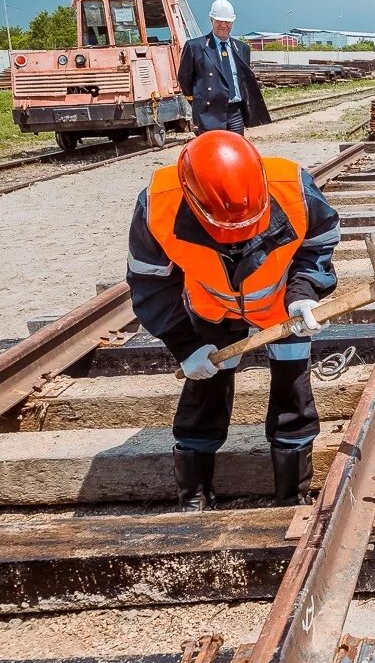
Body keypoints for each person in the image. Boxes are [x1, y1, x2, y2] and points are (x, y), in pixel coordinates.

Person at [125, 131, 340, 511]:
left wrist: (304, 290)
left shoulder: (293, 188)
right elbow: (151, 283)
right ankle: (194, 498)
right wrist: (185, 346)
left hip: (283, 310)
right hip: (213, 309)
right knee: (205, 389)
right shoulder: (157, 204)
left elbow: (319, 241)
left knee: (293, 391)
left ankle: (291, 498)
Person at [178, 0, 270, 135]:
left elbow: (243, 79)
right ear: (211, 20)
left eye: (227, 21)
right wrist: (197, 101)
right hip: (210, 114)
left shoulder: (241, 48)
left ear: (232, 22)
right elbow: (184, 78)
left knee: (235, 153)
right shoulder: (195, 47)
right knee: (213, 153)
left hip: (235, 113)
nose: (223, 25)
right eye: (219, 21)